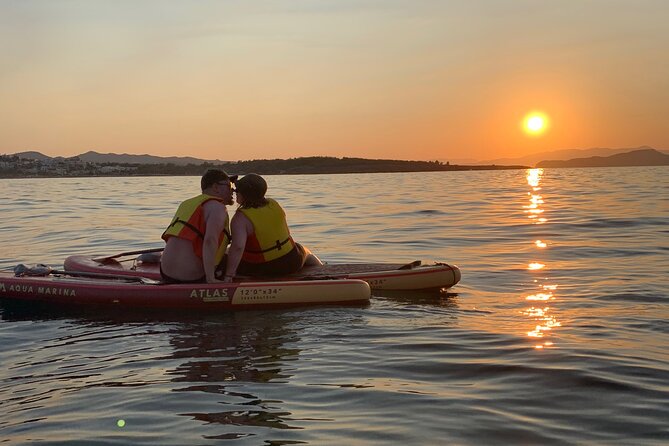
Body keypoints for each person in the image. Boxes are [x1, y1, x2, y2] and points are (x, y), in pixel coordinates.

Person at [222, 173, 322, 281]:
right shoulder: (273, 204)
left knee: (226, 253)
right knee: (306, 252)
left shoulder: (240, 218)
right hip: (292, 261)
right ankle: (322, 268)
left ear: (244, 194)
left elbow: (238, 247)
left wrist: (229, 275)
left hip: (263, 267)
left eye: (237, 191)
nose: (236, 192)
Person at [160, 169, 236, 283]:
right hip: (191, 277)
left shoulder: (187, 204)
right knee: (232, 256)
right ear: (215, 187)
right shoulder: (218, 208)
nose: (233, 190)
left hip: (165, 272)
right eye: (229, 185)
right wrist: (210, 278)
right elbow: (210, 241)